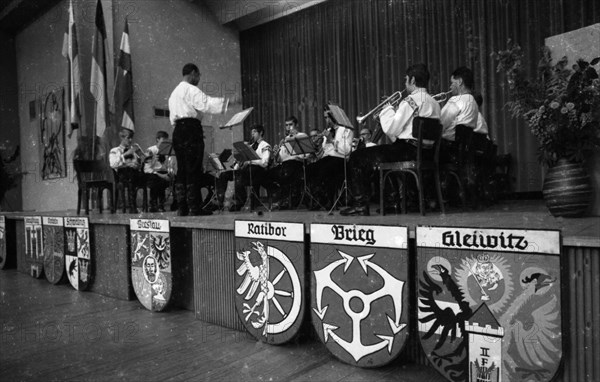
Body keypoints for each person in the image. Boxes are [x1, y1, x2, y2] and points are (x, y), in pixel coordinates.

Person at [340, 63, 441, 216]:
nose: (405, 83)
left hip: (407, 150)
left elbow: (391, 129)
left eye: (406, 79)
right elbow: (401, 132)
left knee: (357, 157)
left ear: (412, 80)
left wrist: (387, 110)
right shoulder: (434, 103)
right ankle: (392, 204)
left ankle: (361, 204)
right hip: (425, 152)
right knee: (378, 156)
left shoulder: (410, 101)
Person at [168, 63, 231, 216]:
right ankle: (194, 207)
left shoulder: (174, 93)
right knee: (193, 168)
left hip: (177, 130)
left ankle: (182, 207)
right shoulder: (190, 89)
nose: (199, 79)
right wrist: (228, 102)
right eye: (199, 75)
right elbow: (206, 103)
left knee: (182, 169)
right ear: (193, 73)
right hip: (190, 129)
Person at [307, 108, 354, 210]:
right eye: (325, 117)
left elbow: (346, 151)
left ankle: (327, 200)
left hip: (341, 160)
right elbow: (325, 151)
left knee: (325, 168)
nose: (327, 120)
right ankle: (319, 198)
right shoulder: (328, 131)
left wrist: (331, 140)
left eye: (329, 117)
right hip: (328, 159)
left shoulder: (346, 130)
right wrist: (317, 144)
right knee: (310, 168)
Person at [217, 124, 272, 211]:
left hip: (257, 171)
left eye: (254, 132)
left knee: (240, 176)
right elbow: (240, 163)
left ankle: (239, 202)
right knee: (224, 175)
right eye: (251, 133)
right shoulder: (249, 146)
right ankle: (219, 202)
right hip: (246, 170)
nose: (252, 134)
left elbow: (264, 163)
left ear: (261, 133)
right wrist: (237, 162)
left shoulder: (265, 145)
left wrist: (250, 160)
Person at [269, 116, 306, 210]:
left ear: (296, 125)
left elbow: (304, 155)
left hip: (297, 164)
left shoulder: (302, 136)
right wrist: (276, 154)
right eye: (286, 125)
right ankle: (279, 199)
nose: (288, 127)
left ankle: (284, 201)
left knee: (286, 171)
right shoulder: (285, 139)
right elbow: (280, 159)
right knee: (267, 174)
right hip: (285, 165)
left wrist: (291, 141)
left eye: (291, 125)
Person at [109, 128, 144, 213]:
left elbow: (142, 160)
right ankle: (132, 206)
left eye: (131, 138)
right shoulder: (115, 150)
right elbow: (113, 164)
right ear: (122, 138)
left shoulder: (134, 149)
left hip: (135, 173)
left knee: (147, 176)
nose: (130, 140)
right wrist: (125, 155)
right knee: (130, 175)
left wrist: (137, 164)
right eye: (128, 138)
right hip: (122, 176)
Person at [144, 131, 171, 212]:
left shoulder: (166, 151)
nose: (164, 144)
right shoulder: (150, 150)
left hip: (163, 172)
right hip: (152, 174)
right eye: (163, 141)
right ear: (157, 139)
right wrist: (153, 162)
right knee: (157, 180)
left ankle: (166, 204)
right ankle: (154, 204)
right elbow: (147, 168)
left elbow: (167, 166)